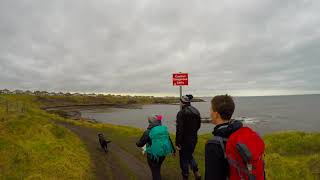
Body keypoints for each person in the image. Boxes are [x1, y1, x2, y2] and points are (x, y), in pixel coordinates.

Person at [205, 95, 265, 180]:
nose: (209, 113)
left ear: (216, 114)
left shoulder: (213, 145)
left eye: (211, 109)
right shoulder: (243, 134)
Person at [136, 114, 176, 180]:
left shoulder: (148, 132)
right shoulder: (163, 130)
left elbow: (140, 144)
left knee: (155, 171)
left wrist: (137, 144)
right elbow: (169, 140)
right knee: (158, 167)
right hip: (163, 153)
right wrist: (173, 151)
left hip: (152, 155)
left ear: (149, 122)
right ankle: (158, 175)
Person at [176, 94, 201, 180]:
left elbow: (179, 130)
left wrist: (178, 143)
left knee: (183, 158)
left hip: (184, 140)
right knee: (189, 154)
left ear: (182, 102)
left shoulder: (181, 113)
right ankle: (196, 171)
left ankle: (185, 176)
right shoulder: (196, 111)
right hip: (194, 138)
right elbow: (198, 126)